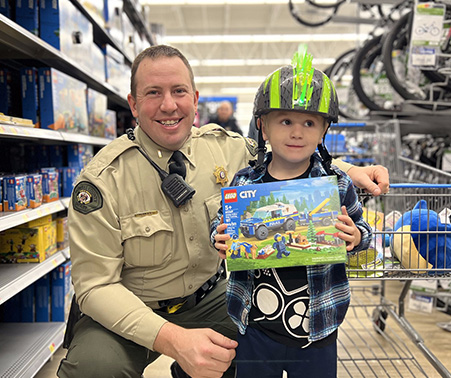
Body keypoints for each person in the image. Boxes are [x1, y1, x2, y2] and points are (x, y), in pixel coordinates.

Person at [58, 44, 388, 378]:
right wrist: (175, 340)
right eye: (153, 93)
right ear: (133, 104)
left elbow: (290, 152)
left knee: (252, 343)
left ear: (196, 99)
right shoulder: (102, 180)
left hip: (208, 299)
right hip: (133, 306)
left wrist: (349, 170)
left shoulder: (226, 149)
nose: (169, 104)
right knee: (93, 369)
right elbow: (94, 287)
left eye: (179, 91)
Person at [211, 49, 372, 377]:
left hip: (319, 328)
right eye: (285, 121)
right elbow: (220, 224)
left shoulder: (336, 184)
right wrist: (220, 236)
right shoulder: (245, 183)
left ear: (323, 131)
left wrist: (355, 236)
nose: (297, 132)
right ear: (263, 127)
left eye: (309, 123)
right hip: (255, 326)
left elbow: (363, 230)